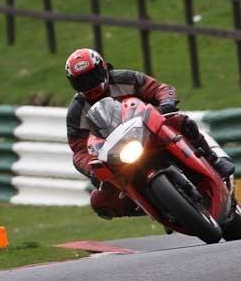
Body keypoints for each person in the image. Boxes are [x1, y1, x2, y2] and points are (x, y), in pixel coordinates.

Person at [64, 48, 235, 219]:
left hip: (149, 130)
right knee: (101, 202)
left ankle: (213, 159)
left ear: (102, 69)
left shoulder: (125, 78)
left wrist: (166, 103)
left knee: (182, 121)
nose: (89, 85)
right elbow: (78, 150)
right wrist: (92, 168)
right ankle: (147, 205)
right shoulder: (76, 111)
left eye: (91, 77)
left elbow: (159, 89)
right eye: (81, 82)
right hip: (116, 154)